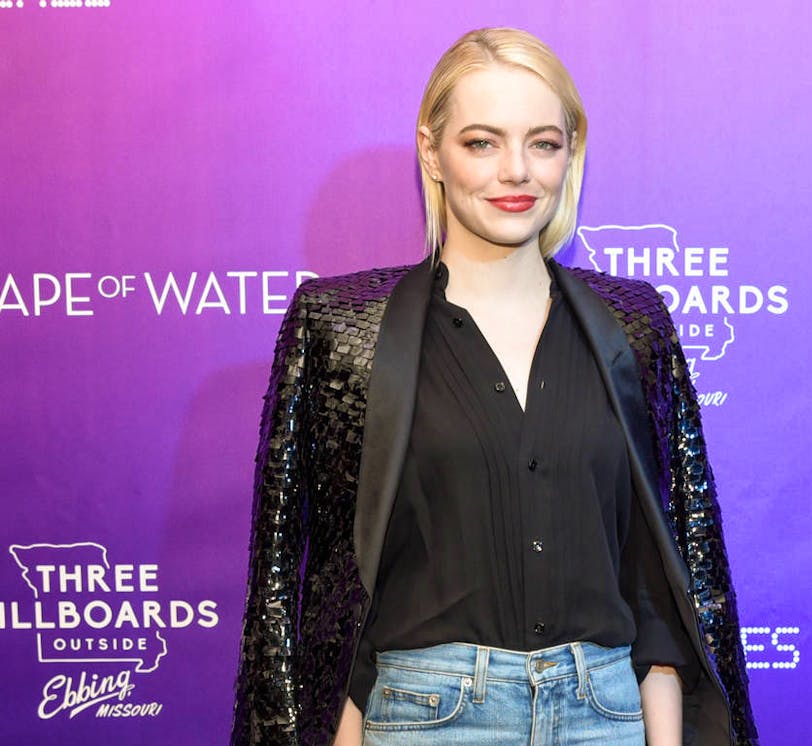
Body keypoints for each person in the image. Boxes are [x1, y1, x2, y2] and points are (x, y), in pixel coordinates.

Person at [232, 27, 758, 746]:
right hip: (426, 717)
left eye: (542, 142)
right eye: (482, 142)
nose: (516, 171)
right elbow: (315, 582)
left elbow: (657, 573)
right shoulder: (342, 326)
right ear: (432, 150)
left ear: (570, 152)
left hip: (605, 715)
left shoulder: (633, 325)